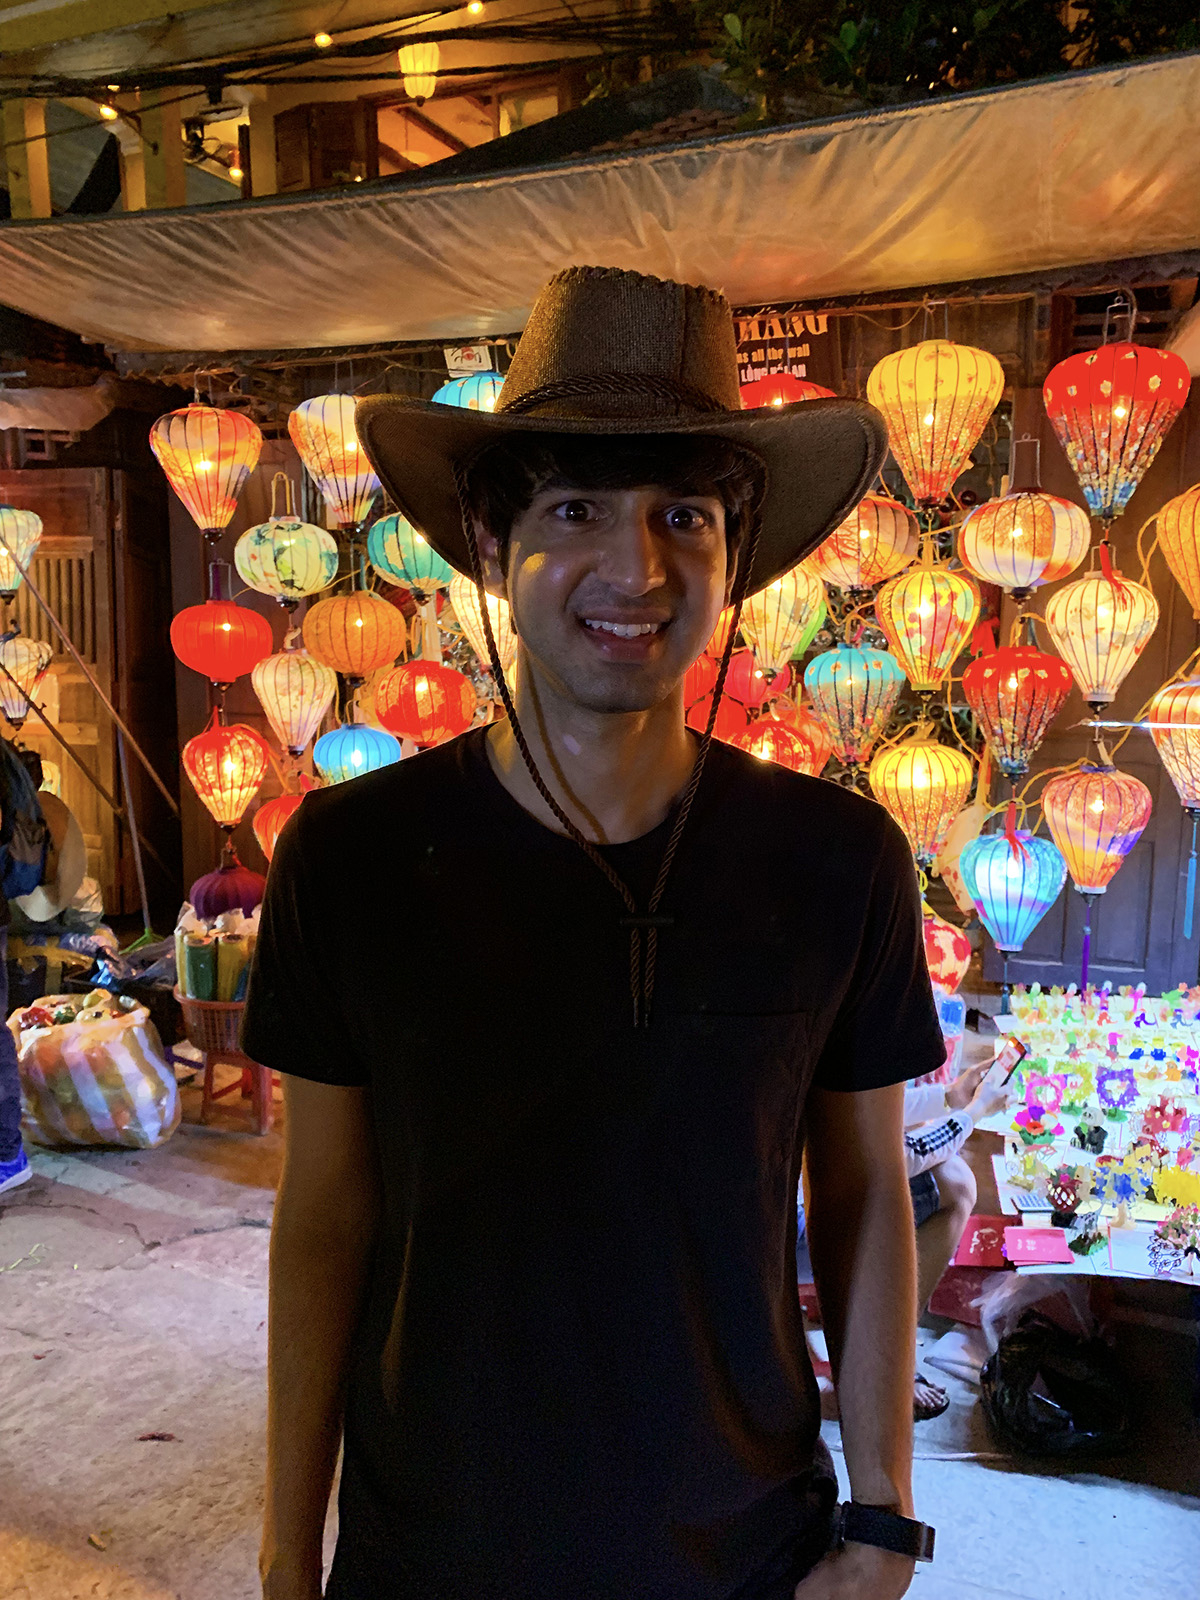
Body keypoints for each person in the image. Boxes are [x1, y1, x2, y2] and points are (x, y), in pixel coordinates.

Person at [244, 266, 946, 1600]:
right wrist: (288, 1551)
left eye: (684, 515)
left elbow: (864, 1197)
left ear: (734, 559)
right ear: (496, 555)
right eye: (577, 510)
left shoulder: (838, 859)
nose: (637, 568)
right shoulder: (352, 859)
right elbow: (326, 1214)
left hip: (743, 1547)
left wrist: (883, 1522)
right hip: (432, 1545)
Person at [903, 1061, 1008, 1418]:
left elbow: (873, 1107)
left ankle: (890, 1346)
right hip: (799, 1224)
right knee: (955, 1181)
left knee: (951, 1171)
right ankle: (891, 1360)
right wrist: (974, 1111)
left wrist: (947, 1097)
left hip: (796, 1202)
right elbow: (903, 1156)